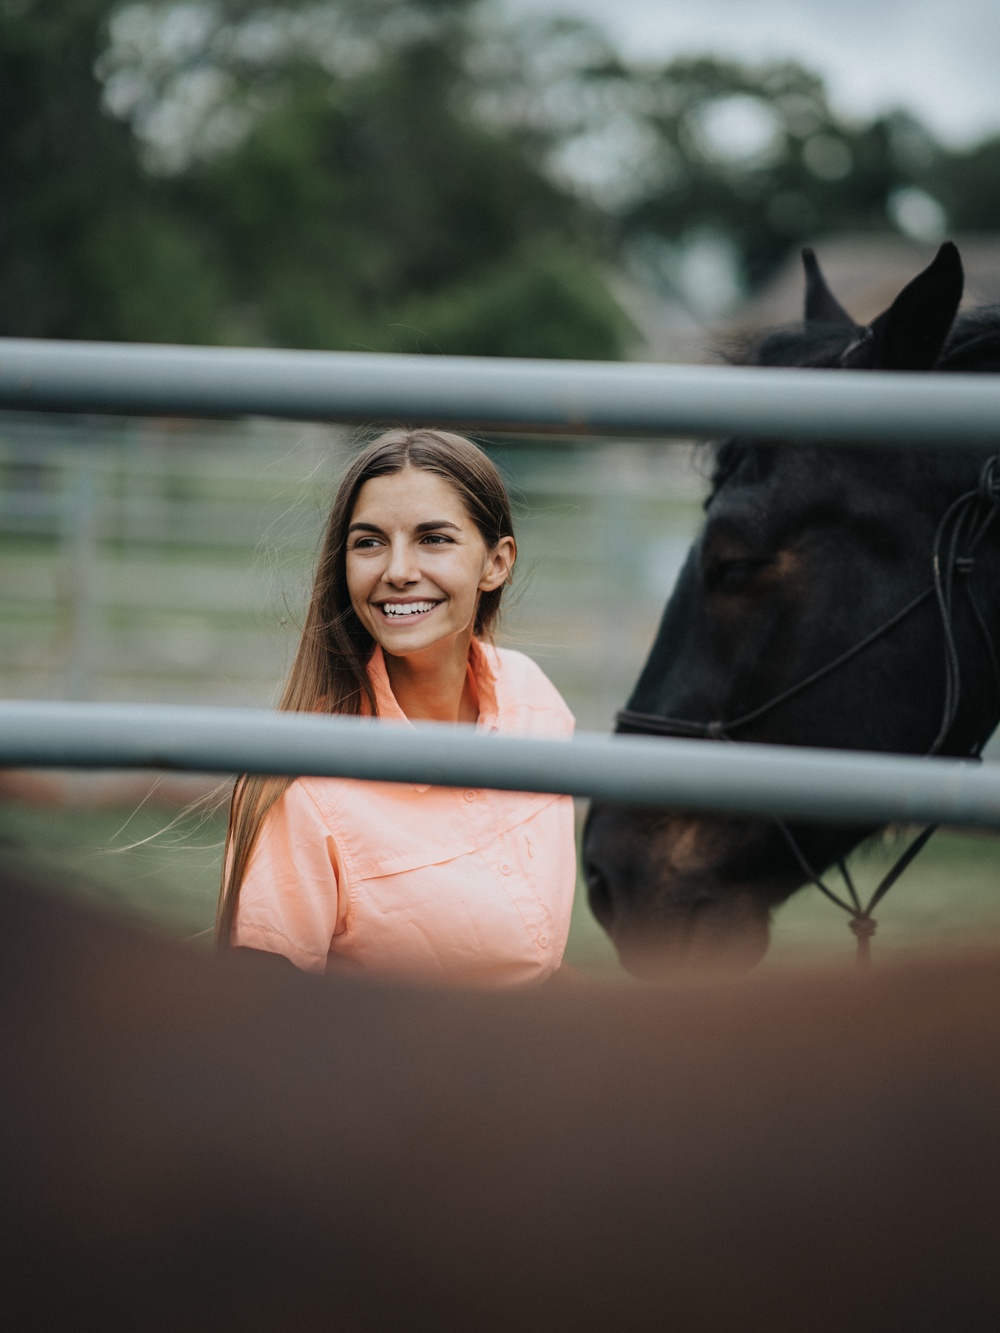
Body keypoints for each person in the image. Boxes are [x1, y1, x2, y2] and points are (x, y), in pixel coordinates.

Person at [217, 428, 576, 985]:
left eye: (433, 538)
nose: (398, 570)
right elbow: (258, 1017)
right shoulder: (301, 785)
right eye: (369, 542)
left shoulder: (536, 704)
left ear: (496, 562)